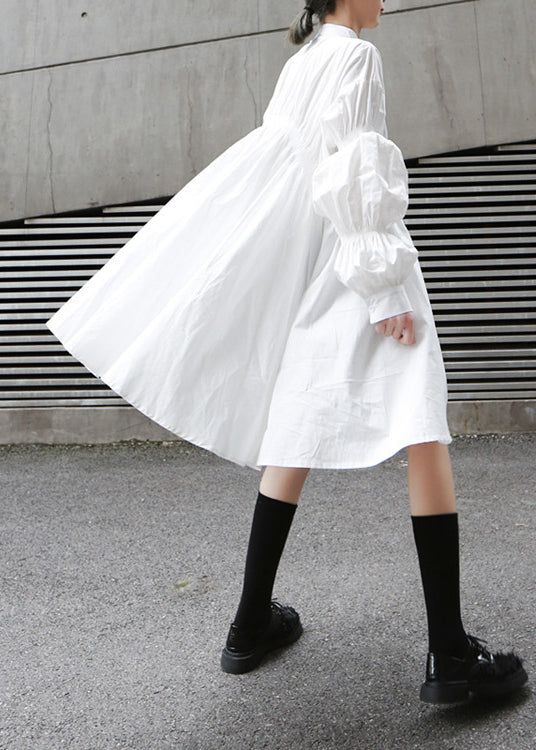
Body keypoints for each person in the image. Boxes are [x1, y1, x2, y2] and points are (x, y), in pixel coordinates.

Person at [45, 0, 528, 704]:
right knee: (421, 422)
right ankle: (450, 656)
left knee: (295, 428)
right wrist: (384, 286)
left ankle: (249, 625)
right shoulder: (355, 54)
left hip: (316, 268)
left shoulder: (303, 61)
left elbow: (285, 174)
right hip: (357, 266)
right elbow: (355, 166)